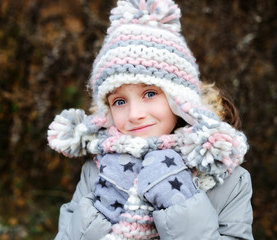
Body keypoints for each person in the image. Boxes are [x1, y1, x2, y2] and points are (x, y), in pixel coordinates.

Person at [47, 0, 253, 239]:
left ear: (180, 99)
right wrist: (103, 212)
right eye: (120, 101)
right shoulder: (96, 170)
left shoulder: (228, 179)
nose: (135, 114)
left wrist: (181, 202)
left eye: (150, 93)